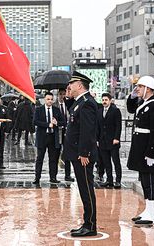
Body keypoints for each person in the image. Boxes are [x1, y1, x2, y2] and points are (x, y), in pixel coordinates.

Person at [127, 76, 154, 225]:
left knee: (150, 181)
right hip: (140, 148)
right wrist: (132, 96)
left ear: (148, 88)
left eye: (140, 87)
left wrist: (151, 152)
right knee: (144, 180)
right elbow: (131, 109)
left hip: (148, 149)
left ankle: (153, 214)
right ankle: (148, 211)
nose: (137, 89)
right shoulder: (144, 103)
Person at [64, 71, 98, 237]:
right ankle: (86, 222)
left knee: (86, 190)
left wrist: (84, 152)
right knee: (83, 189)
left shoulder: (87, 103)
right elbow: (73, 114)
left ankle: (90, 225)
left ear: (79, 85)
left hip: (83, 156)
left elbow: (88, 131)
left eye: (72, 84)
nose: (69, 86)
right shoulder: (80, 102)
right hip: (77, 154)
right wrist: (69, 96)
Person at [33, 92, 64, 185]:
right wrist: (47, 125)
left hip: (53, 137)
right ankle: (37, 177)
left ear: (53, 100)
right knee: (40, 158)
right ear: (44, 99)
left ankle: (53, 177)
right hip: (42, 137)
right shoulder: (39, 110)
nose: (50, 101)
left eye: (51, 99)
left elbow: (64, 122)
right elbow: (35, 121)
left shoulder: (57, 110)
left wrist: (57, 123)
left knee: (53, 159)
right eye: (48, 99)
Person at [96, 93, 122, 188]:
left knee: (116, 161)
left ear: (110, 100)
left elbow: (118, 126)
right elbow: (97, 127)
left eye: (106, 100)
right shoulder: (99, 111)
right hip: (102, 141)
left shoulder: (115, 111)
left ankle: (118, 180)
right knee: (106, 162)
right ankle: (109, 180)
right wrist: (97, 139)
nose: (104, 102)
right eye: (103, 100)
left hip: (113, 141)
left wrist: (116, 138)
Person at [54, 88, 74, 182]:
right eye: (60, 94)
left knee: (67, 154)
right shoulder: (54, 105)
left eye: (63, 94)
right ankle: (53, 176)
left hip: (67, 132)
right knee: (55, 154)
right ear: (58, 95)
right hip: (57, 132)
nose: (62, 96)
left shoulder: (69, 104)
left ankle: (67, 175)